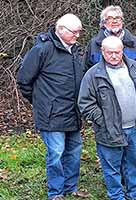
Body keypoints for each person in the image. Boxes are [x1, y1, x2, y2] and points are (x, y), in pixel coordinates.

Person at [16, 13, 91, 200]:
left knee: (74, 152)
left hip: (73, 113)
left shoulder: (76, 50)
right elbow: (24, 80)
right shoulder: (42, 49)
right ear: (60, 30)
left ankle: (70, 187)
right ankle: (56, 193)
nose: (78, 35)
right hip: (50, 115)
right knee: (56, 155)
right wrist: (41, 102)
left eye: (80, 31)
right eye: (74, 32)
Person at [78, 36, 136, 200]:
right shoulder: (93, 74)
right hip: (108, 131)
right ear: (102, 52)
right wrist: (103, 120)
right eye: (110, 53)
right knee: (112, 168)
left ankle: (135, 194)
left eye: (117, 52)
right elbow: (85, 103)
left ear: (123, 50)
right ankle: (116, 196)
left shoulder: (134, 67)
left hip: (133, 128)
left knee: (133, 165)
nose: (114, 56)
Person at [84, 5, 136, 182]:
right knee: (112, 144)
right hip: (107, 107)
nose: (114, 22)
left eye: (117, 18)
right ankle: (117, 177)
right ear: (103, 23)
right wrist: (99, 114)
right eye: (109, 19)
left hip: (132, 109)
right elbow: (87, 75)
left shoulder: (134, 42)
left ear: (122, 21)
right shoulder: (94, 45)